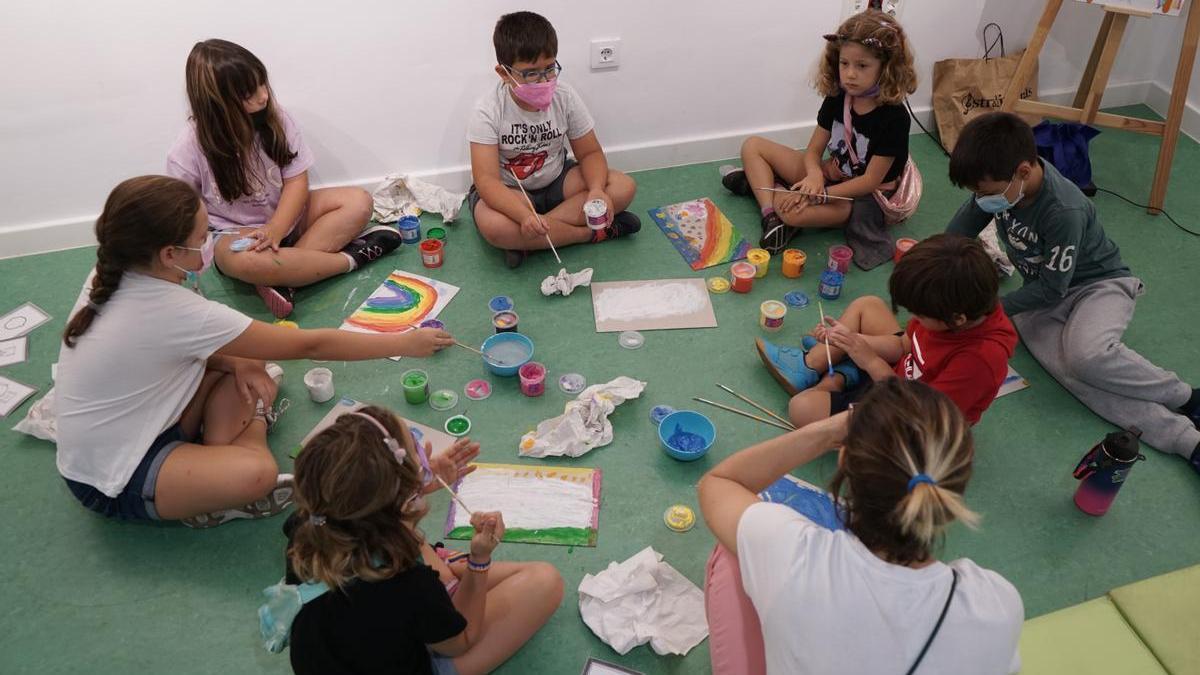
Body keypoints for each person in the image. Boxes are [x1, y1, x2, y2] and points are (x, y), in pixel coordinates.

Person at [55, 176, 454, 528]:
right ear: (168, 254)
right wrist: (403, 342)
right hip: (115, 477)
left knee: (250, 358)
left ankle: (209, 465)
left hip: (151, 412)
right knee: (258, 474)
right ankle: (220, 474)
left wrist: (239, 363)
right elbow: (310, 344)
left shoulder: (117, 268)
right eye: (200, 236)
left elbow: (196, 347)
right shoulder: (167, 309)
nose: (209, 241)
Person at [698, 379, 1023, 675]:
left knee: (733, 554)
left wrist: (829, 431)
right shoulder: (997, 604)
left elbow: (720, 483)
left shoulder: (796, 557)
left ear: (845, 462)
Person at [946, 112, 1200, 470]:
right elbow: (953, 238)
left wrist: (987, 310)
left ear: (1021, 171)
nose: (981, 200)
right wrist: (932, 271)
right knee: (1071, 372)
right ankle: (1186, 440)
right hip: (1042, 293)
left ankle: (1186, 397)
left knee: (1086, 358)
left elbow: (1054, 287)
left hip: (1099, 286)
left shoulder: (1064, 209)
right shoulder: (1000, 186)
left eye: (985, 193)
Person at [283, 405, 564, 675]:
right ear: (402, 493)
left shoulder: (310, 524)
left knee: (436, 567)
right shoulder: (408, 583)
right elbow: (461, 641)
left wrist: (412, 488)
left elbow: (382, 528)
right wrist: (479, 560)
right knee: (545, 580)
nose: (424, 455)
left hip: (341, 654)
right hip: (415, 655)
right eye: (416, 451)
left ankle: (448, 575)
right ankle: (452, 577)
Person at [167, 39, 398, 318]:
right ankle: (350, 259)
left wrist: (277, 227)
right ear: (217, 104)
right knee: (246, 262)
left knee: (358, 201)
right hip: (237, 234)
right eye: (248, 94)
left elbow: (296, 182)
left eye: (262, 84)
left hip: (287, 217)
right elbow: (185, 214)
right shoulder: (188, 148)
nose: (262, 96)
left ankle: (284, 277)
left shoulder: (276, 119)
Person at [756, 234, 1017, 427]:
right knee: (867, 305)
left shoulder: (980, 360)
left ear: (957, 319)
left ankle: (841, 375)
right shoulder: (959, 307)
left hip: (912, 413)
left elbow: (921, 415)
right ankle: (814, 366)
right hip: (896, 374)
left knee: (801, 409)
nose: (914, 318)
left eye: (920, 314)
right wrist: (853, 341)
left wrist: (869, 360)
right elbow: (905, 344)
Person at [720, 9, 917, 256]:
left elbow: (869, 182)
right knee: (752, 145)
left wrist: (821, 195)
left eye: (862, 65)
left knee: (791, 209)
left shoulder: (895, 118)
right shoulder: (838, 97)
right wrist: (813, 176)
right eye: (844, 64)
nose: (850, 74)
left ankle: (764, 189)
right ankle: (771, 217)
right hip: (830, 175)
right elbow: (813, 151)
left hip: (863, 198)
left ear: (887, 67)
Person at [467, 11, 640, 269]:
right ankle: (588, 234)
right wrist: (523, 215)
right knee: (495, 227)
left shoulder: (565, 96)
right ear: (504, 73)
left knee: (623, 186)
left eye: (550, 68)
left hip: (558, 180)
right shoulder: (487, 110)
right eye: (531, 73)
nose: (545, 80)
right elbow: (487, 181)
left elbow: (590, 153)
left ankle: (532, 241)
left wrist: (595, 190)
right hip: (511, 192)